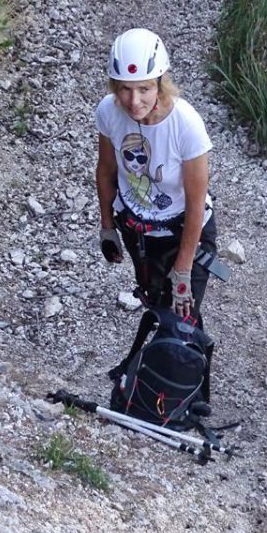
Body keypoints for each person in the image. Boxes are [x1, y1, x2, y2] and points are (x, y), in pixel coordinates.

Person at [95, 27, 218, 330]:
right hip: (138, 230)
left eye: (144, 89)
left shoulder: (186, 125)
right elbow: (106, 170)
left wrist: (185, 267)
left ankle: (182, 368)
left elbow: (196, 203)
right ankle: (163, 367)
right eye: (124, 89)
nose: (134, 101)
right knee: (155, 301)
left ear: (161, 84)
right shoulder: (109, 113)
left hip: (182, 232)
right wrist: (107, 226)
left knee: (178, 322)